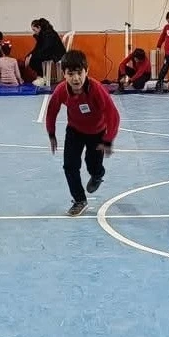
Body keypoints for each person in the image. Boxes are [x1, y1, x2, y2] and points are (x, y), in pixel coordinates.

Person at [45, 50, 120, 217]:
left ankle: (98, 174)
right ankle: (79, 200)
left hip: (97, 133)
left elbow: (112, 115)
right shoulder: (61, 90)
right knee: (70, 166)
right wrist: (51, 133)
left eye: (79, 73)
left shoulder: (97, 89)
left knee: (92, 164)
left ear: (87, 71)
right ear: (64, 74)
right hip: (75, 130)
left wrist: (108, 139)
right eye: (71, 74)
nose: (76, 78)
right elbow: (52, 111)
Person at [25, 18, 66, 87]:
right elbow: (37, 48)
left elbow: (45, 48)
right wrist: (29, 55)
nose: (34, 32)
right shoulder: (43, 34)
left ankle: (42, 77)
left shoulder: (48, 34)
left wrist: (32, 56)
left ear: (39, 27)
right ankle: (41, 77)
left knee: (35, 58)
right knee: (34, 57)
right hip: (50, 52)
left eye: (34, 30)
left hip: (56, 54)